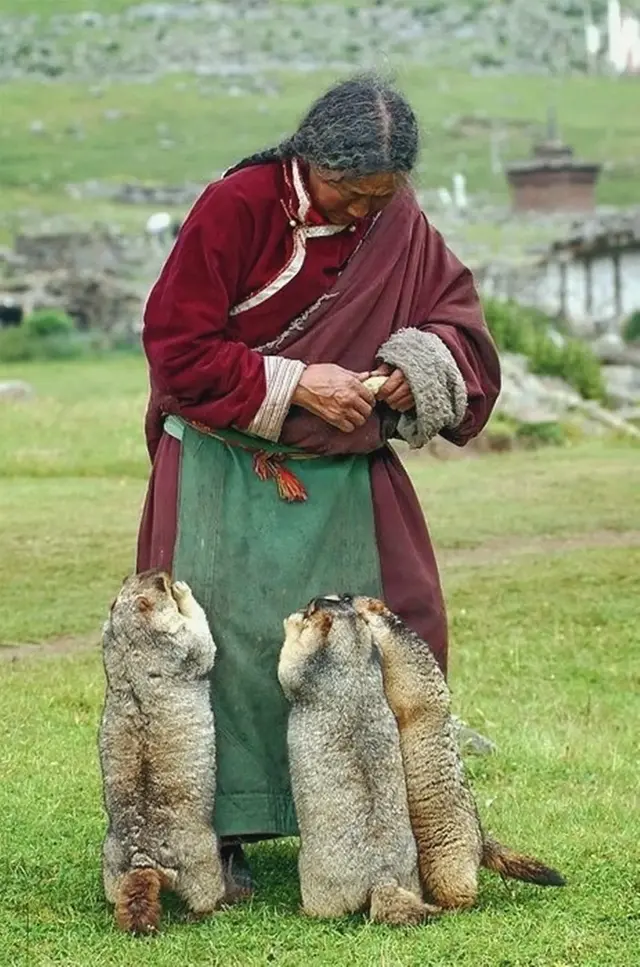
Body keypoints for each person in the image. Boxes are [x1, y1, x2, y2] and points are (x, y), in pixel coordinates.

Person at [137, 73, 501, 894]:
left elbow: (460, 326)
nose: (362, 212)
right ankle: (210, 837)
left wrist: (419, 368)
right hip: (223, 472)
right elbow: (176, 347)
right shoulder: (237, 205)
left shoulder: (395, 221)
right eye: (348, 191)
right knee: (218, 652)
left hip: (347, 477)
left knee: (394, 632)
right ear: (309, 159)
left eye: (382, 194)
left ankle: (384, 830)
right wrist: (297, 383)